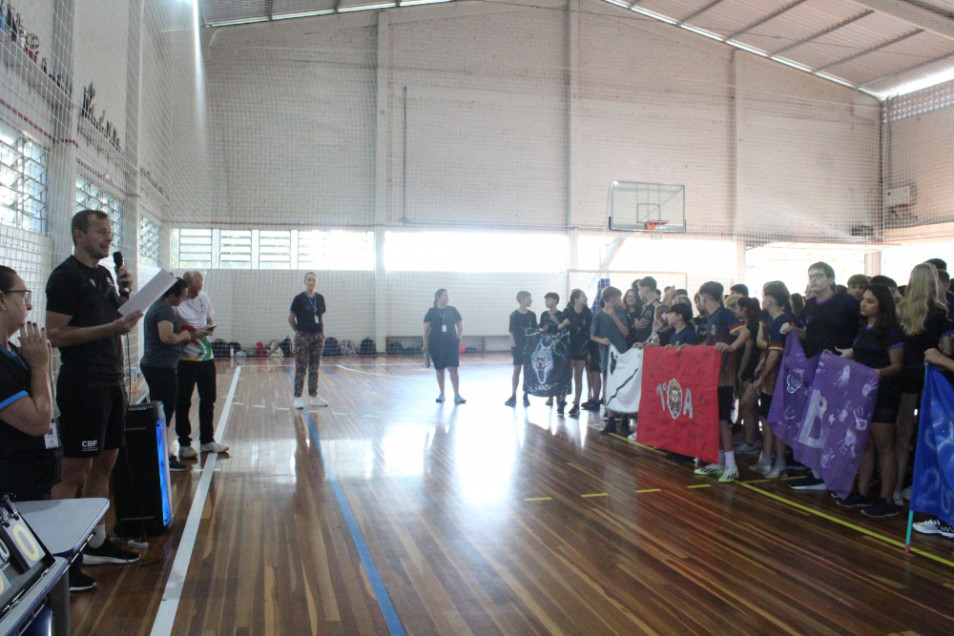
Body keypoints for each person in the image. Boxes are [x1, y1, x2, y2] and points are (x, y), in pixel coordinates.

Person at [46, 209, 142, 570]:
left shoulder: (103, 275)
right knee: (74, 470)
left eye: (110, 232)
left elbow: (121, 323)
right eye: (101, 232)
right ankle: (60, 554)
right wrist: (110, 329)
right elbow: (55, 335)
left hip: (112, 381)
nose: (108, 238)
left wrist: (128, 295)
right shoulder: (65, 277)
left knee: (106, 463)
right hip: (83, 384)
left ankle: (96, 541)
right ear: (78, 235)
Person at [782, 262, 859, 490]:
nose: (813, 280)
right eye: (810, 276)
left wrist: (850, 356)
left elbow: (860, 332)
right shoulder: (808, 308)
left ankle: (835, 472)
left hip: (841, 371)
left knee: (836, 422)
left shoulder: (846, 303)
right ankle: (817, 471)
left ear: (831, 279)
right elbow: (807, 335)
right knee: (816, 420)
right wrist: (794, 331)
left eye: (818, 276)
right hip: (815, 371)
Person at [836, 285, 903, 518]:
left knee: (884, 445)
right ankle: (863, 492)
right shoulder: (864, 328)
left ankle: (887, 498)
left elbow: (896, 365)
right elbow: (858, 353)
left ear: (881, 306)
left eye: (870, 301)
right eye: (863, 300)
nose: (864, 304)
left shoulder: (891, 332)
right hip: (862, 392)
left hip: (883, 393)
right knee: (864, 444)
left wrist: (875, 373)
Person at [893, 263, 952, 505]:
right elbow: (947, 349)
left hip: (905, 374)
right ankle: (923, 486)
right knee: (929, 431)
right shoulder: (940, 311)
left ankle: (895, 488)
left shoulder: (901, 311)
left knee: (903, 432)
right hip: (930, 374)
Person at [141, 278, 206, 473]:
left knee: (163, 412)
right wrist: (185, 336)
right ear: (173, 294)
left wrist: (195, 334)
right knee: (164, 414)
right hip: (160, 368)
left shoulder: (160, 308)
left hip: (159, 366)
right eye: (182, 296)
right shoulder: (164, 310)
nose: (183, 300)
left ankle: (159, 454)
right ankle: (164, 457)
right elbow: (167, 337)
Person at [693, 281, 749, 483]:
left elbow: (744, 333)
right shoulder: (711, 318)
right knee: (714, 417)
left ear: (704, 298)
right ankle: (718, 460)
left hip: (724, 377)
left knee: (723, 419)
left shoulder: (725, 314)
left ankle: (732, 465)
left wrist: (731, 347)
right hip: (712, 376)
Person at [175, 271, 228, 458]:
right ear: (186, 287)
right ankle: (184, 443)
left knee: (209, 399)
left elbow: (210, 318)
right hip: (185, 361)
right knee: (183, 401)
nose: (198, 293)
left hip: (206, 357)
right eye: (194, 290)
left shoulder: (204, 296)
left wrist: (210, 327)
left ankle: (207, 440)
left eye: (200, 288)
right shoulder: (176, 304)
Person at [750, 281, 795, 479]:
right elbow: (771, 352)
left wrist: (761, 377)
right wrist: (763, 363)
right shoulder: (773, 320)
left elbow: (776, 355)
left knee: (777, 421)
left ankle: (781, 463)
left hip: (779, 379)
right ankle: (766, 458)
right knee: (767, 419)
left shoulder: (782, 321)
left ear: (769, 299)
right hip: (772, 379)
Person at [590, 286, 631, 434]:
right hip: (606, 354)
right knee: (609, 385)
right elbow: (592, 335)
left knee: (623, 384)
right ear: (611, 298)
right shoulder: (599, 316)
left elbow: (626, 332)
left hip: (621, 353)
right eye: (618, 297)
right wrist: (602, 340)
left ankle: (625, 418)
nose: (620, 300)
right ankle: (611, 419)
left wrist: (614, 316)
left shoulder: (620, 313)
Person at [288, 272, 327, 409]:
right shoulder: (298, 299)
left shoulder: (320, 298)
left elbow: (320, 316)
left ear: (316, 282)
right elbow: (291, 318)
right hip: (302, 337)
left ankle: (314, 396)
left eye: (314, 280)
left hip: (317, 336)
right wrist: (298, 331)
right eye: (309, 280)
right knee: (301, 367)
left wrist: (320, 333)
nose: (311, 282)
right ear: (305, 282)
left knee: (314, 367)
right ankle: (298, 397)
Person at [422, 289, 465, 404]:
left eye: (447, 296)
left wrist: (457, 339)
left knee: (453, 369)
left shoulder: (453, 310)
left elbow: (460, 327)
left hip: (451, 344)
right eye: (444, 296)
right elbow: (425, 330)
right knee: (440, 369)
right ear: (437, 297)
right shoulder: (431, 312)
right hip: (436, 345)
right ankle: (442, 394)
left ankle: (457, 395)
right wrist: (425, 345)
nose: (447, 298)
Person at [560, 289, 591, 417]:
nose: (585, 298)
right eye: (583, 296)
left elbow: (590, 331)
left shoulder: (587, 312)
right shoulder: (567, 311)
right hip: (568, 348)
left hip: (582, 348)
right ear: (575, 299)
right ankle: (561, 401)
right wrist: (563, 324)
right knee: (566, 375)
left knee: (578, 376)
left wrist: (589, 350)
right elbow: (560, 328)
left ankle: (576, 404)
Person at [506, 291, 537, 407]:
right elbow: (511, 332)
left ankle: (526, 395)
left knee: (528, 372)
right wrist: (514, 347)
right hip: (518, 347)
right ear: (522, 299)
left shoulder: (532, 315)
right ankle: (513, 395)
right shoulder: (514, 315)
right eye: (529, 298)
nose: (531, 300)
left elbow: (535, 332)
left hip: (530, 348)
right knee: (517, 370)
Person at [540, 292, 567, 412]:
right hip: (546, 346)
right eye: (546, 300)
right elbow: (540, 328)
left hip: (558, 346)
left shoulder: (561, 315)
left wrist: (556, 321)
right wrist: (542, 330)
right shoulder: (544, 314)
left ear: (555, 301)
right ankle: (549, 396)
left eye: (549, 300)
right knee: (548, 371)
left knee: (557, 371)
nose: (546, 302)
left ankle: (559, 397)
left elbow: (563, 329)